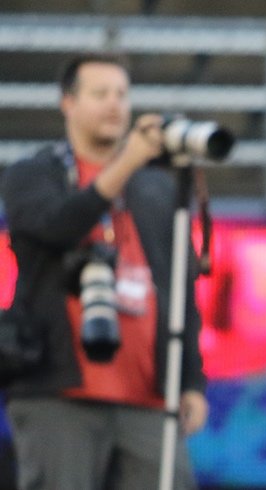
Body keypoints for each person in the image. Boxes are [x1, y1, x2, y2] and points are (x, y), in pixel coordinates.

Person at [0, 54, 207, 489]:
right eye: (99, 94)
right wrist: (128, 162)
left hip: (148, 396)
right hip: (59, 391)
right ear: (68, 103)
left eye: (121, 94)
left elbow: (180, 288)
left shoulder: (155, 187)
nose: (114, 105)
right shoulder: (33, 173)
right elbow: (59, 227)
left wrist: (190, 379)